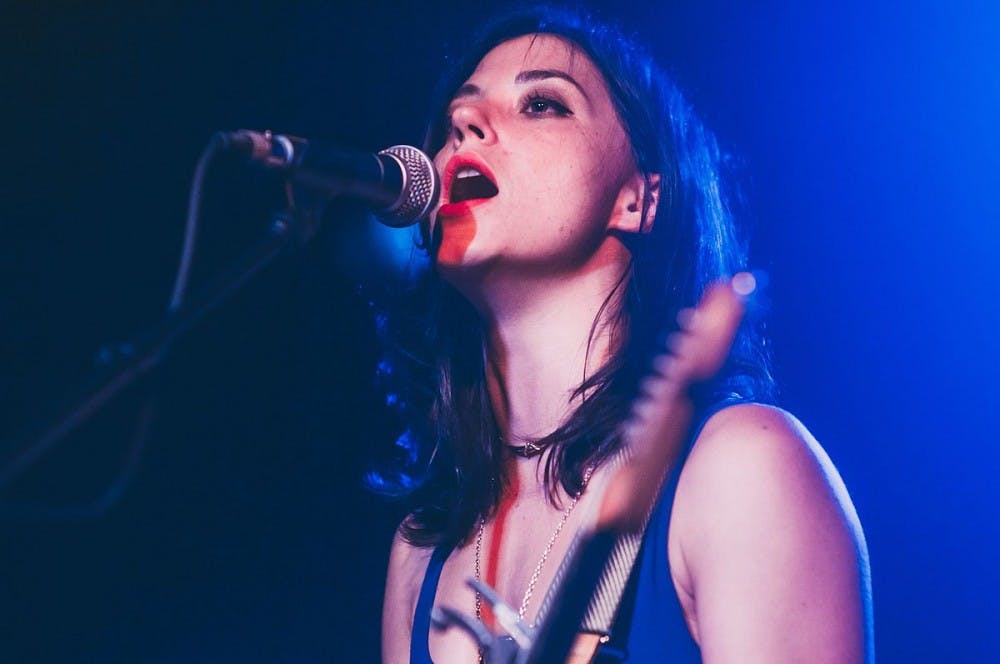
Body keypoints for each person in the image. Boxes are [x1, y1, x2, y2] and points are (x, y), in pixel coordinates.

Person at [374, 5, 873, 663]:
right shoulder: (421, 549)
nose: (463, 126)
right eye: (454, 118)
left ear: (639, 198)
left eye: (543, 104)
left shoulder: (742, 468)